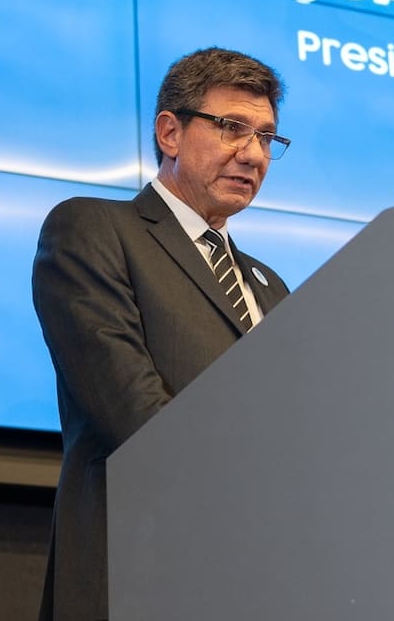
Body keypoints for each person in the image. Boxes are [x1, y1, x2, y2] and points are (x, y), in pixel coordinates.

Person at [32, 47, 292, 621]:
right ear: (169, 132)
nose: (253, 154)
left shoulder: (272, 286)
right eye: (232, 128)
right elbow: (134, 413)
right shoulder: (94, 230)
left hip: (265, 582)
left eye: (267, 137)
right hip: (142, 576)